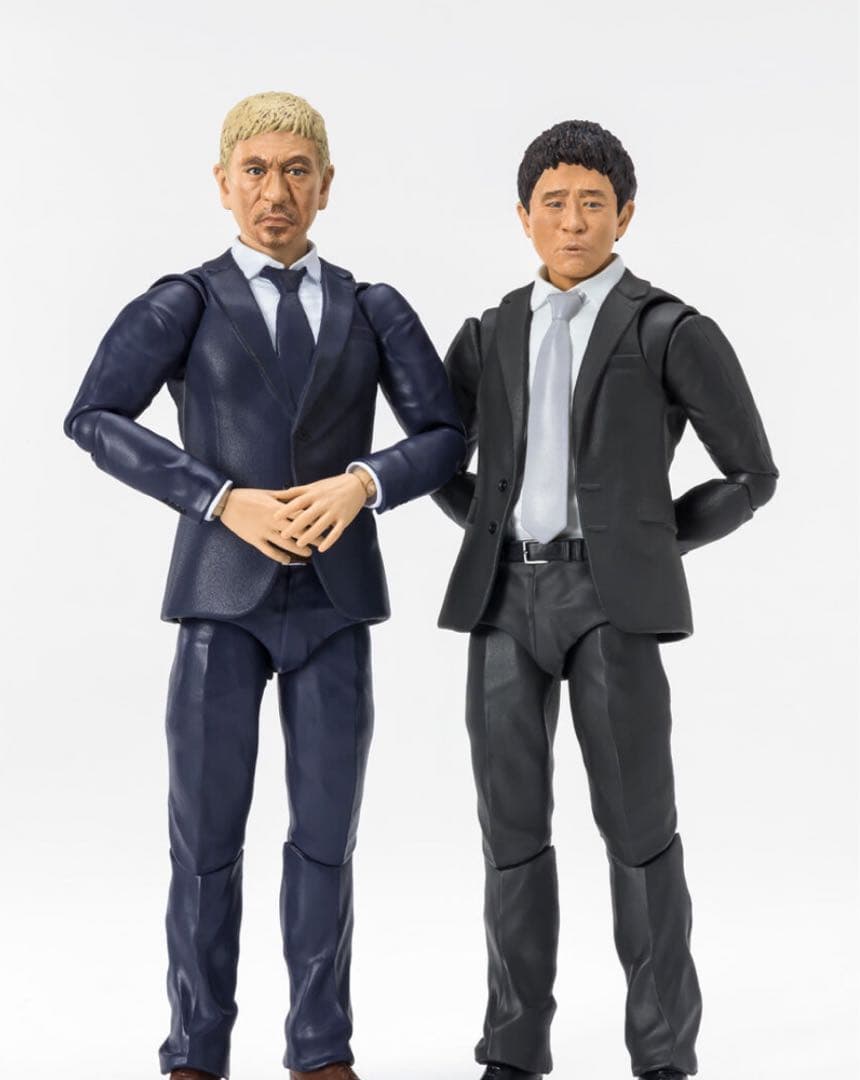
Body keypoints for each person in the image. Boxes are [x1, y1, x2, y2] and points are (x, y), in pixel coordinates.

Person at [64, 89, 465, 1080]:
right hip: (220, 603)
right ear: (222, 183)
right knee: (205, 841)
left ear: (325, 186)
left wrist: (363, 482)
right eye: (255, 171)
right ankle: (196, 1050)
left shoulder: (371, 307)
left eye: (295, 171)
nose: (274, 191)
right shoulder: (186, 302)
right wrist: (218, 498)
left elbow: (445, 434)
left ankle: (320, 1049)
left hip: (334, 604)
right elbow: (96, 416)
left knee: (326, 837)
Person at [432, 119, 778, 1080]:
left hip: (610, 604)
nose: (574, 221)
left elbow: (751, 473)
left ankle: (663, 1052)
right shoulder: (490, 332)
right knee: (509, 830)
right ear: (524, 216)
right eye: (555, 203)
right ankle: (512, 1049)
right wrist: (487, 526)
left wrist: (648, 543)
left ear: (624, 214)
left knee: (638, 827)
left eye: (593, 203)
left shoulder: (667, 327)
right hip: (505, 600)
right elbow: (436, 455)